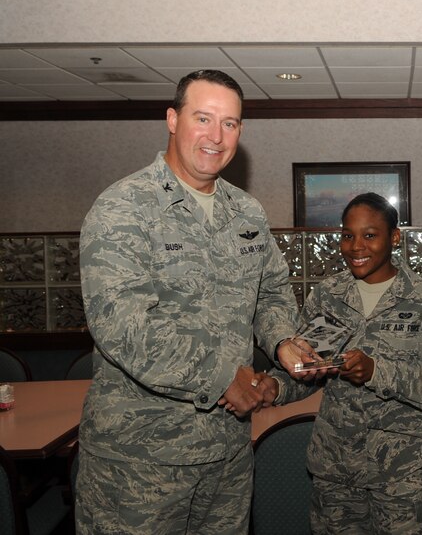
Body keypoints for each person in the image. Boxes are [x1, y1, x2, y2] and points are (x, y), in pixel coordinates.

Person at [76, 69, 301, 534]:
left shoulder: (246, 212)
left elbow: (271, 291)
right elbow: (122, 324)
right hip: (139, 461)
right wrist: (220, 377)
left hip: (227, 451)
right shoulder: (124, 207)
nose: (216, 137)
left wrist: (282, 340)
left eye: (231, 123)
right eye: (204, 118)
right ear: (173, 120)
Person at [270, 192, 422, 534]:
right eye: (348, 236)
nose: (356, 246)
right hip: (337, 472)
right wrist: (273, 386)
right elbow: (310, 367)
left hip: (404, 474)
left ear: (394, 237)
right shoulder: (328, 296)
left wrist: (375, 371)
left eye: (369, 235)